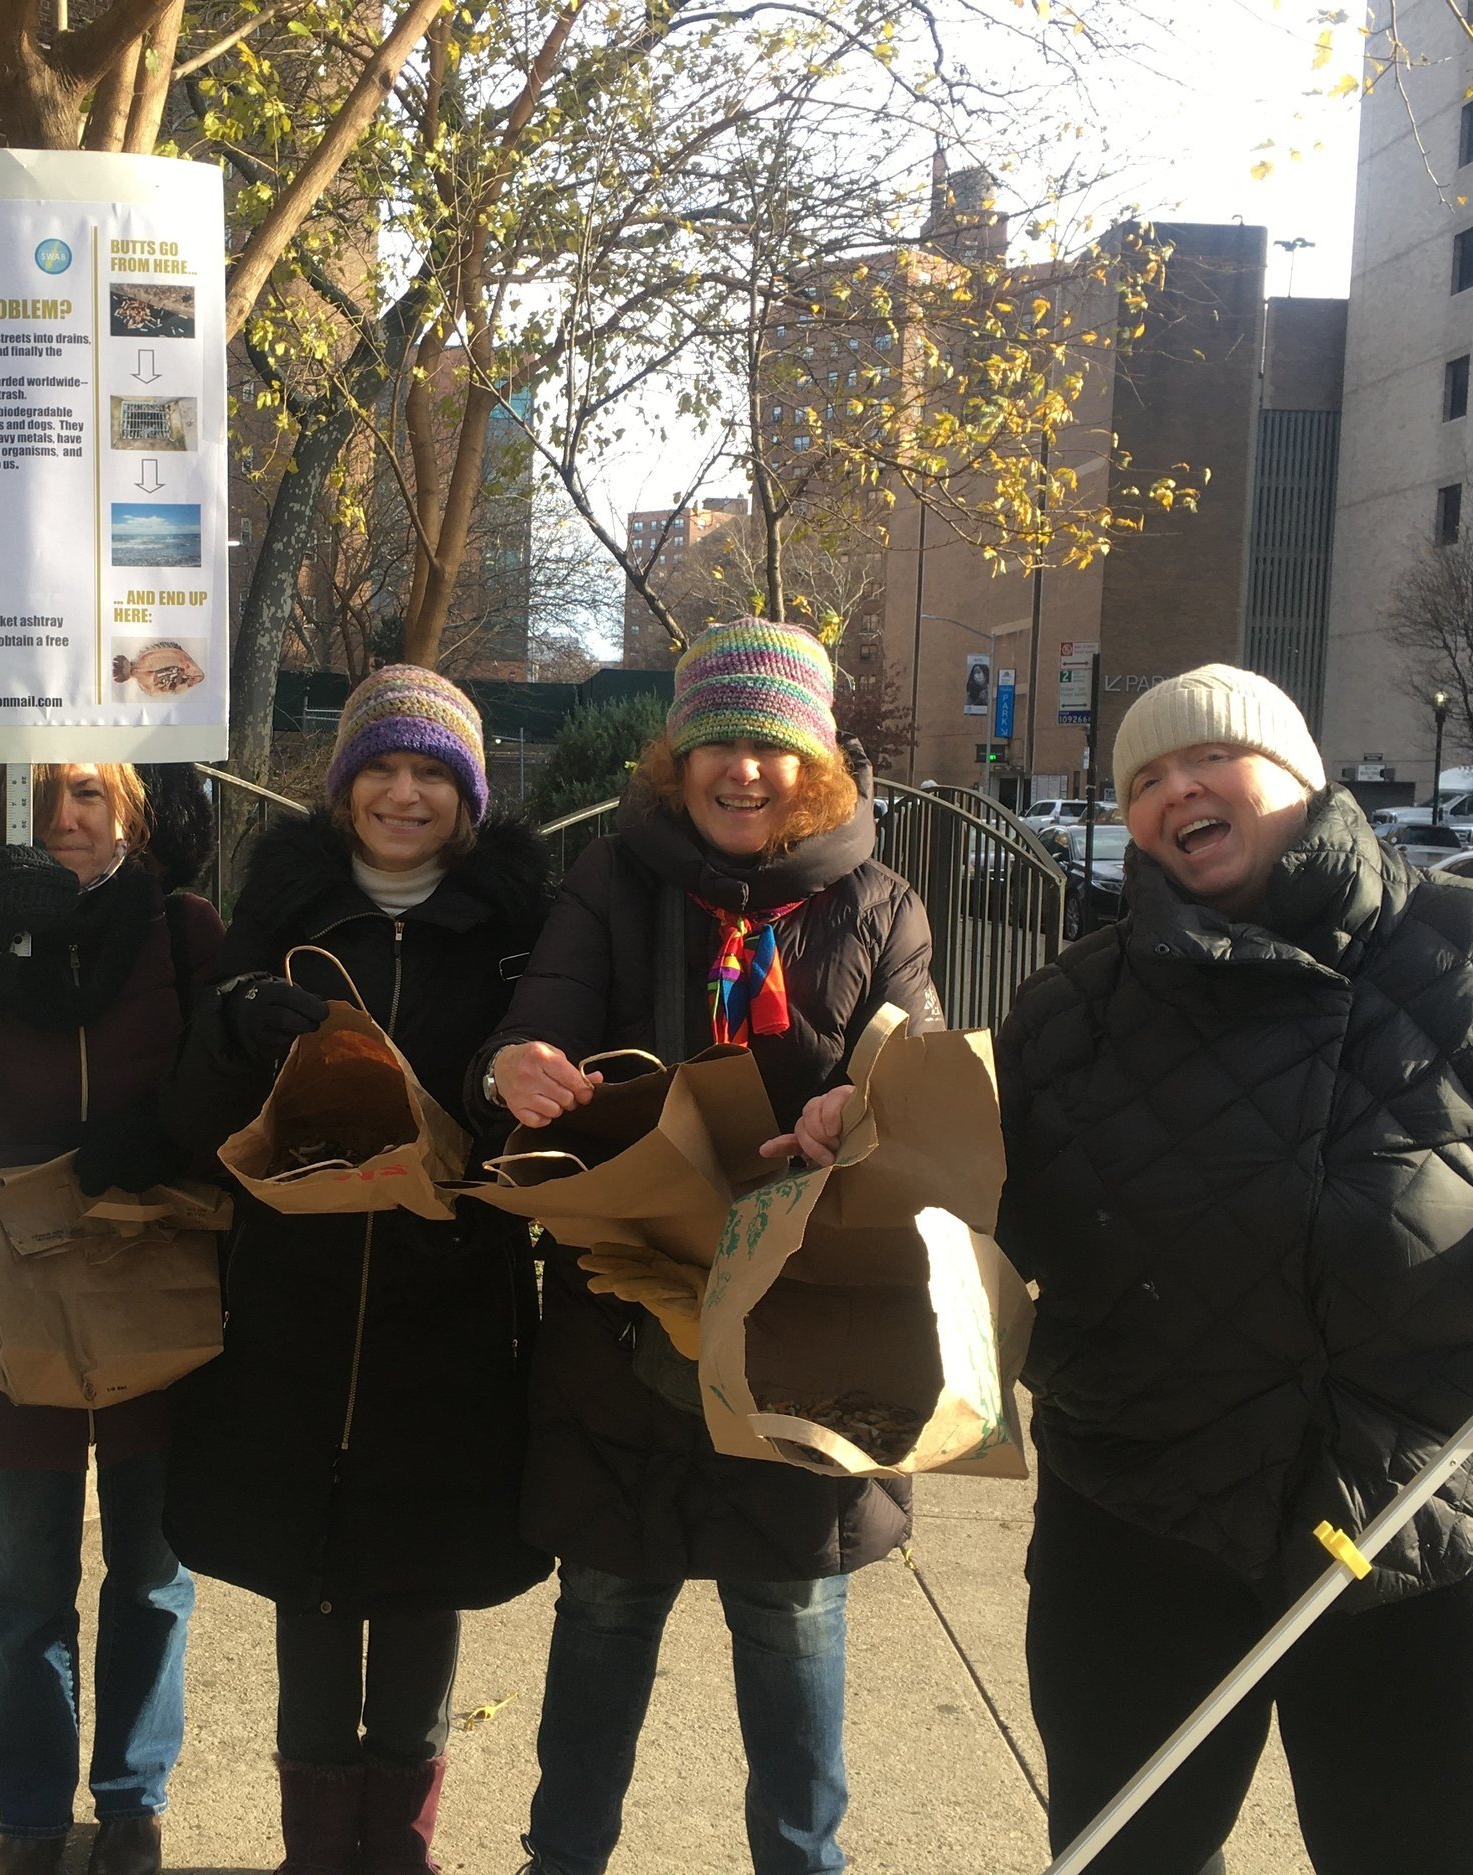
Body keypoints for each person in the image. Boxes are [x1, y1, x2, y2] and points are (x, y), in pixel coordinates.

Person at [994, 664, 1473, 1875]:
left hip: (1450, 1513)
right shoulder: (1073, 1005)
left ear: (1300, 777)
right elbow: (987, 1199)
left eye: (1209, 760)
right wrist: (861, 1147)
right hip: (1144, 1511)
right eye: (1141, 780)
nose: (1176, 789)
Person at [473, 619, 944, 1875]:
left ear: (820, 764)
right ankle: (559, 1860)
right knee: (608, 1608)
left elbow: (922, 1076)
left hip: (802, 1323)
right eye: (717, 743)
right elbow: (538, 1024)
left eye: (772, 745)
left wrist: (871, 1104)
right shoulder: (610, 884)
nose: (743, 770)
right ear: (675, 762)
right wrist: (514, 1066)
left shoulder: (879, 903)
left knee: (790, 1617)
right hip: (624, 1316)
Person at [161, 666, 554, 1874]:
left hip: (449, 1310)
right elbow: (195, 1120)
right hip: (296, 1310)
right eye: (379, 768)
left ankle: (403, 1849)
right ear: (341, 788)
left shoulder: (517, 935)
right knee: (310, 1585)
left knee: (422, 1583)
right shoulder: (278, 917)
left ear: (468, 796)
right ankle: (314, 1850)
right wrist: (235, 1027)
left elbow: (543, 1115)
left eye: (430, 772)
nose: (401, 793)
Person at [0, 761, 223, 1875]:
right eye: (32, 796)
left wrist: (162, 1131)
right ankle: (30, 1811)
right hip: (9, 1262)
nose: (60, 818)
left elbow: (231, 1081)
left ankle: (132, 1796)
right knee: (27, 1579)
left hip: (155, 1249)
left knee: (154, 1568)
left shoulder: (177, 926)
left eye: (86, 792)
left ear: (130, 802)